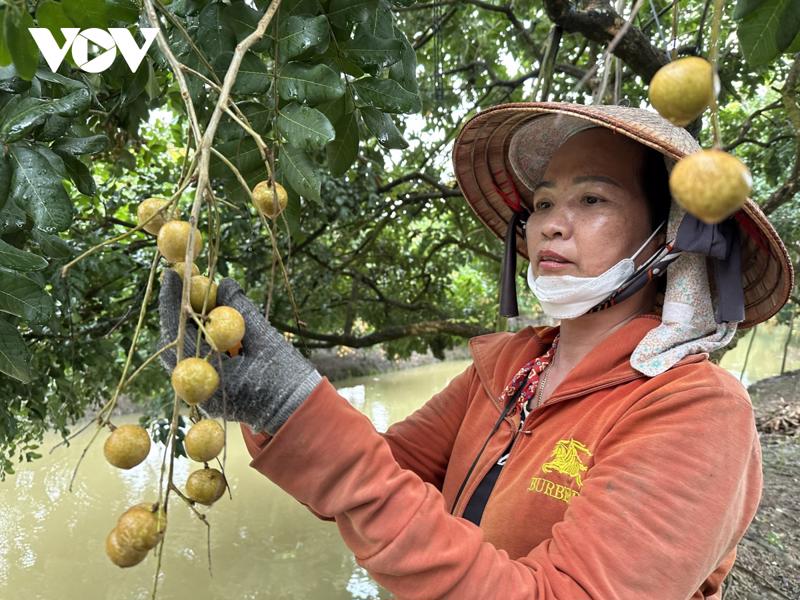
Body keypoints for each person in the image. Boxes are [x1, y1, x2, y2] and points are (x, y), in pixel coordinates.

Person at [159, 102, 793, 599]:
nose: (551, 222)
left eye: (591, 199)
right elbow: (370, 474)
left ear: (669, 238)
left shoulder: (696, 410)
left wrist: (295, 403)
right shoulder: (511, 366)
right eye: (543, 203)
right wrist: (275, 404)